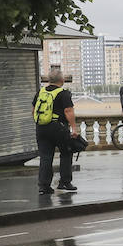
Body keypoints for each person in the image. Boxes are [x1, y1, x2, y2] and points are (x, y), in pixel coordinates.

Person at [33, 66, 79, 195]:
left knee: (45, 157)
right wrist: (74, 129)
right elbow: (68, 111)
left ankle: (44, 186)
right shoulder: (63, 93)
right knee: (66, 152)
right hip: (58, 127)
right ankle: (64, 182)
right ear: (62, 80)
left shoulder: (41, 92)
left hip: (41, 127)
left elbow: (33, 110)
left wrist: (41, 123)